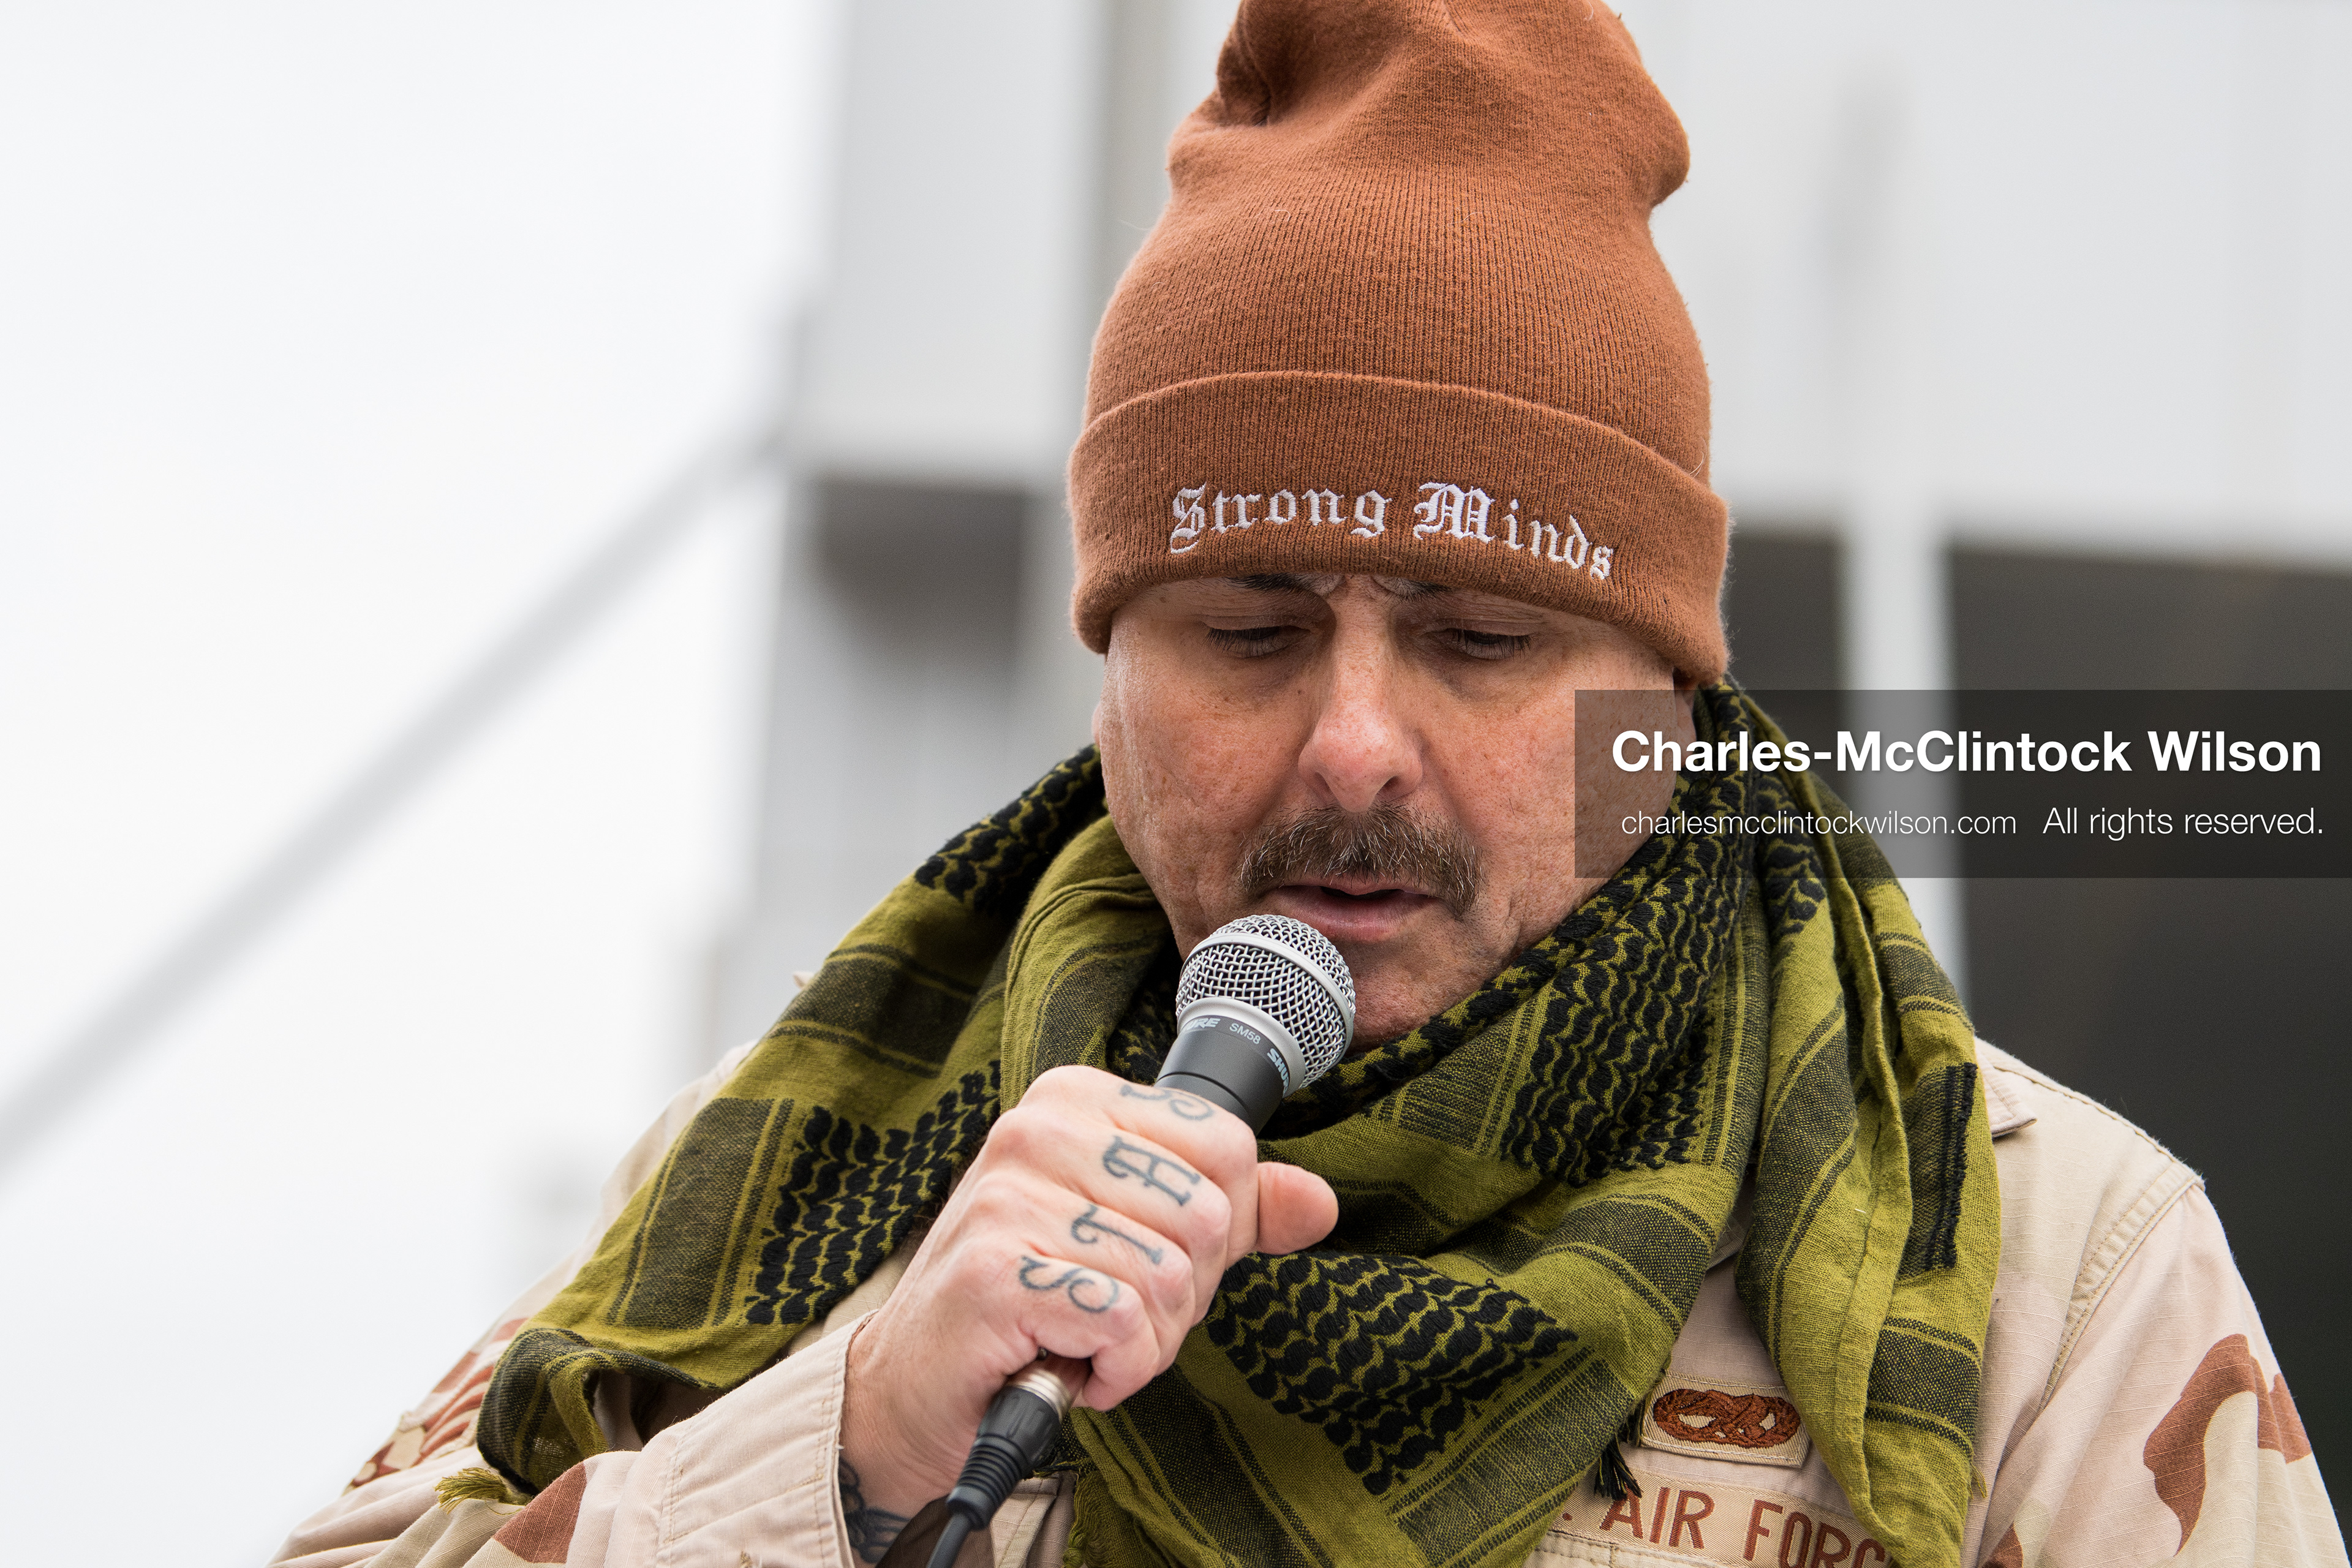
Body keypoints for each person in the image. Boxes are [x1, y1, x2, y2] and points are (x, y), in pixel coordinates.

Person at [270, 4, 2345, 1566]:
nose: (1355, 742)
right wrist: (843, 1448)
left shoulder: (2050, 1261)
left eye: (1483, 639)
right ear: (1110, 679)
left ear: (1672, 699)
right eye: (1252, 631)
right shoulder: (784, 1186)